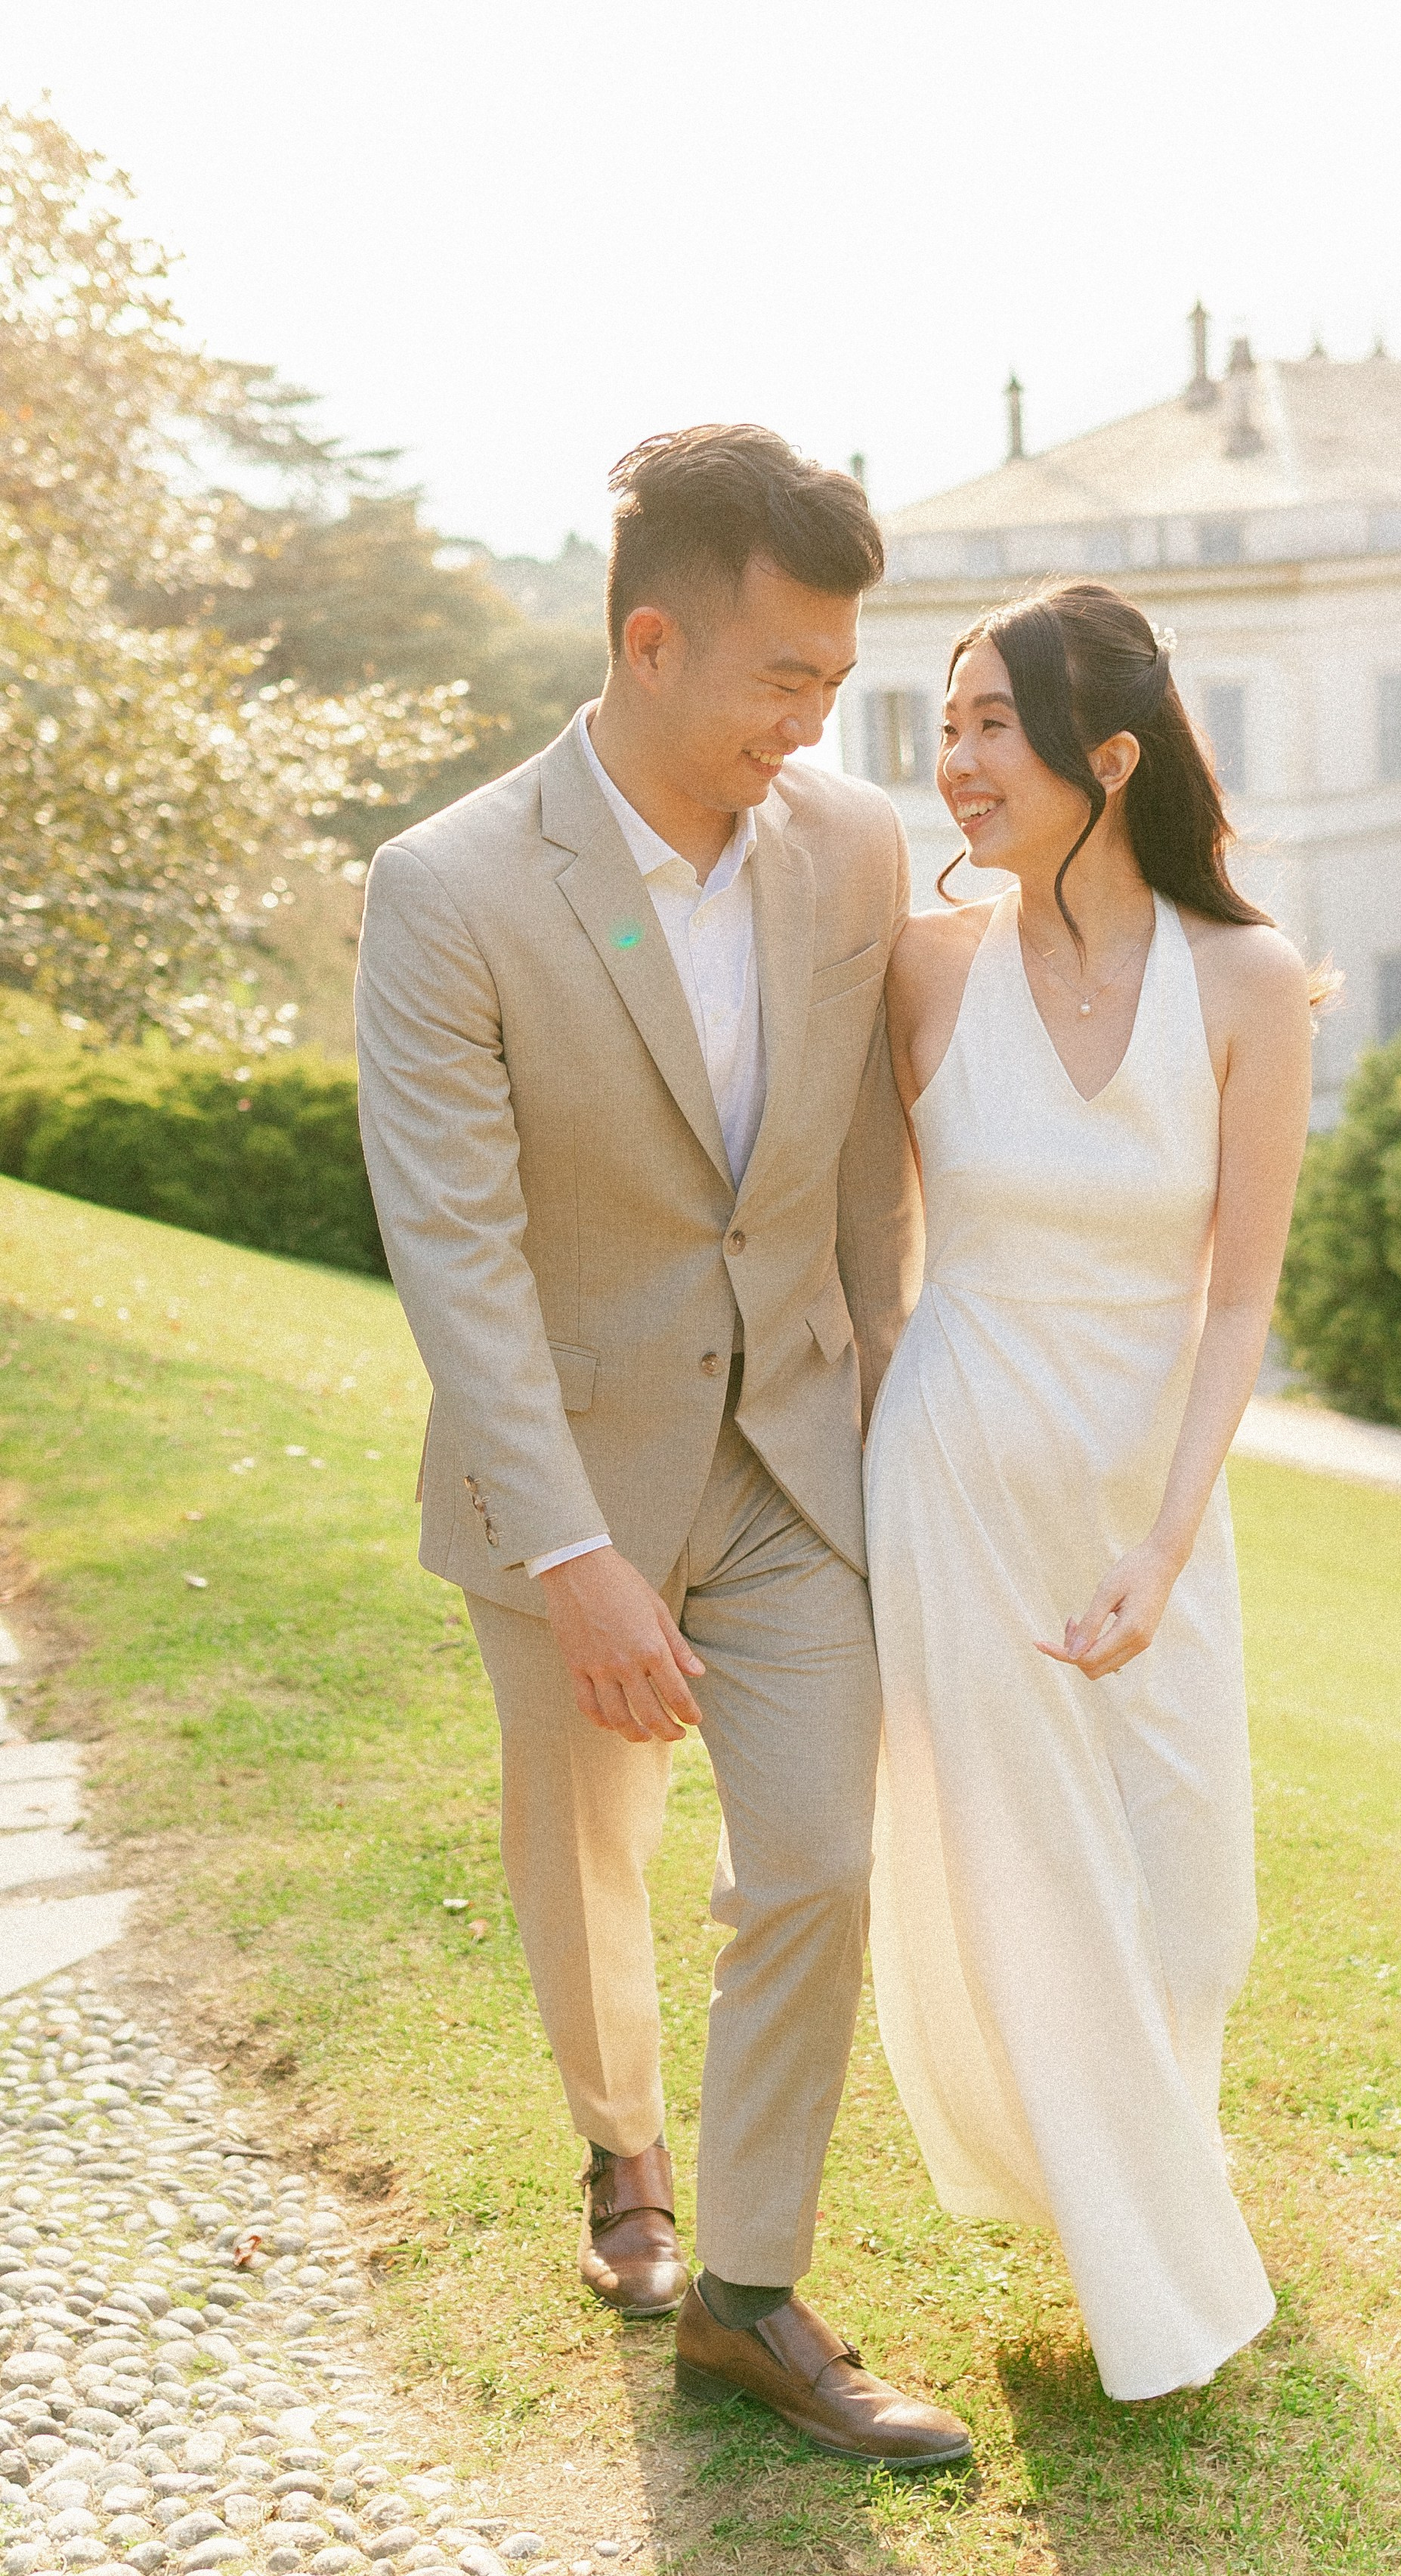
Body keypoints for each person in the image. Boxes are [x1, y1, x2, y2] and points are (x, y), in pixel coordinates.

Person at [355, 424, 971, 2469]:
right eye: (787, 676)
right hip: (565, 1484)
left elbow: (874, 1190)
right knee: (588, 1853)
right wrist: (572, 1553)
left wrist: (904, 1449)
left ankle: (753, 2292)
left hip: (796, 1464)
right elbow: (457, 1259)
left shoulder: (854, 846)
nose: (821, 721)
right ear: (647, 640)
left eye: (839, 680)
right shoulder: (447, 891)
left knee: (813, 1856)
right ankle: (622, 2145)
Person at [866, 581, 1316, 2401]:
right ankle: (1155, 2277)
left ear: (1105, 757)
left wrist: (1163, 1540)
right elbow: (858, 1233)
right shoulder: (917, 962)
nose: (954, 760)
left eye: (992, 725)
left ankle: (1143, 2195)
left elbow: (1238, 1293)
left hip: (1149, 1497)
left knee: (1187, 1891)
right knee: (1025, 1880)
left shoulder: (1244, 978)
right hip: (955, 1470)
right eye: (947, 719)